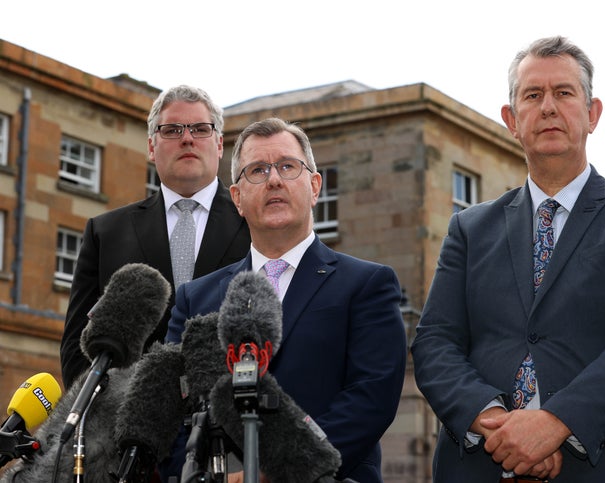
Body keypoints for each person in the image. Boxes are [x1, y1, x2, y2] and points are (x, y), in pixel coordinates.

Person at [411, 36, 605, 483]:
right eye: (532, 95)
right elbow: (434, 343)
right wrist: (500, 427)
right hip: (483, 466)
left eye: (564, 93)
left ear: (592, 113)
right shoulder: (468, 229)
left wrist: (555, 422)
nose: (548, 107)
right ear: (511, 120)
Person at [165, 117, 407, 482]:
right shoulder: (195, 298)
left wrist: (272, 473)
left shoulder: (368, 284)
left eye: (287, 166)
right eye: (258, 170)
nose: (274, 179)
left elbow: (370, 400)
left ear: (314, 187)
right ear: (237, 199)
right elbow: (168, 412)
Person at [60, 85, 251, 388]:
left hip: (231, 418)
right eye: (172, 130)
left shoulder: (255, 225)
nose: (187, 138)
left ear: (218, 145)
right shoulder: (105, 233)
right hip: (130, 422)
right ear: (151, 147)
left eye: (200, 129)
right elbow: (76, 349)